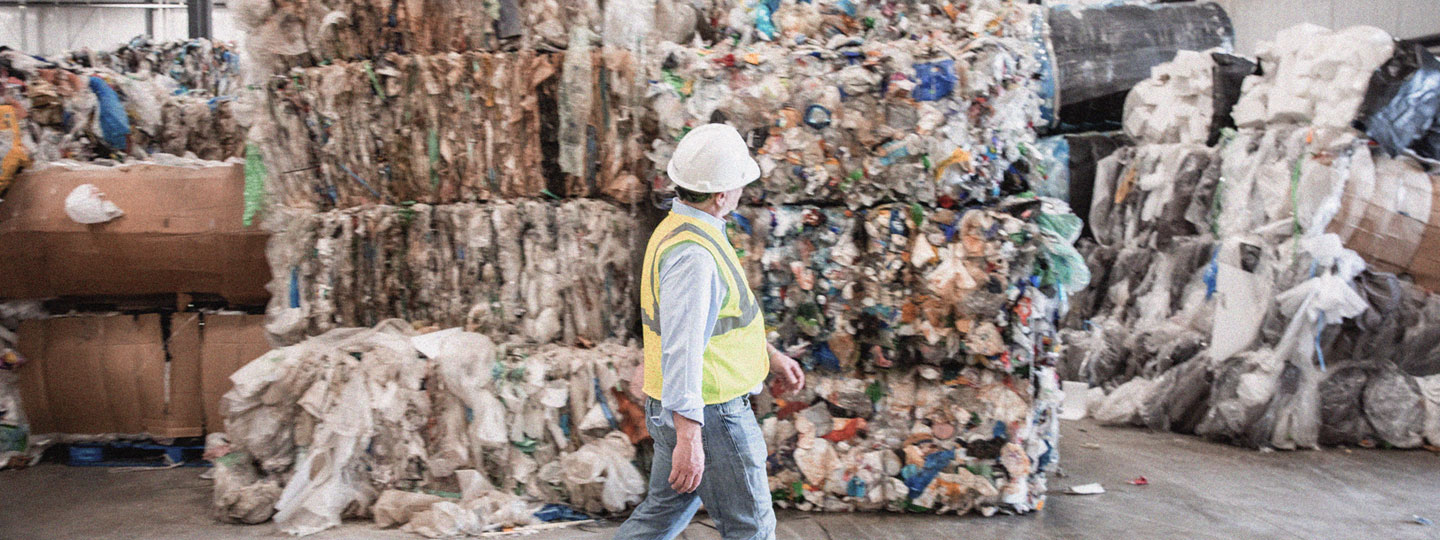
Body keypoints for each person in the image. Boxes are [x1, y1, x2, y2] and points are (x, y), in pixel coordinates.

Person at [614, 124, 804, 540]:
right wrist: (690, 436)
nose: (741, 192)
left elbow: (719, 322)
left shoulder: (682, 231)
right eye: (738, 184)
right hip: (711, 412)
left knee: (662, 516)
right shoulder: (694, 255)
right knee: (752, 528)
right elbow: (684, 347)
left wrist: (771, 356)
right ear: (721, 194)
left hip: (683, 405)